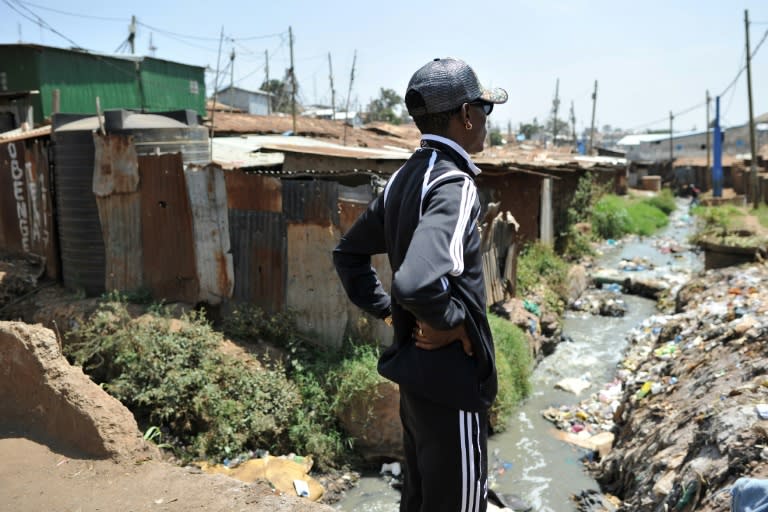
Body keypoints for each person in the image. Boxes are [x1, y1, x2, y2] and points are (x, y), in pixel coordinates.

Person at [333, 57, 507, 512]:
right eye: (484, 110)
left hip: (416, 381)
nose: (486, 122)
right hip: (454, 384)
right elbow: (415, 281)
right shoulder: (455, 183)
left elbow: (348, 254)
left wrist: (392, 313)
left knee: (421, 499)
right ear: (466, 115)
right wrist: (452, 323)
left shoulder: (404, 179)